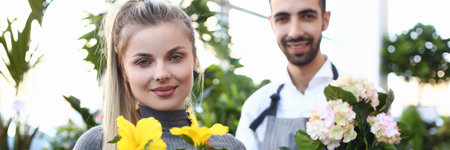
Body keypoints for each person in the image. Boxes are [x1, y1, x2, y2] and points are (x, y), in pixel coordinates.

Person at [74, 0, 245, 149]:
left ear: (194, 60)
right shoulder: (99, 143)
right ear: (123, 70)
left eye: (175, 57)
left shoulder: (227, 146)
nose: (161, 74)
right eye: (143, 62)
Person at [235, 0, 339, 149]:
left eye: (307, 16)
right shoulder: (256, 107)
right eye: (282, 19)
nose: (295, 32)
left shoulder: (365, 100)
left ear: (325, 20)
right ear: (272, 24)